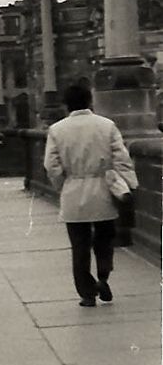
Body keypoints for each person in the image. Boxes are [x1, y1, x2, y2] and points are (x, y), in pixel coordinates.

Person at [44, 84, 138, 307]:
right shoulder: (106, 126)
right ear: (89, 101)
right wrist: (128, 185)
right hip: (103, 190)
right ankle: (104, 276)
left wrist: (63, 185)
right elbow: (121, 159)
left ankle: (87, 292)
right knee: (104, 240)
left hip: (74, 191)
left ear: (67, 104)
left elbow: (51, 165)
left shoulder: (57, 130)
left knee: (79, 246)